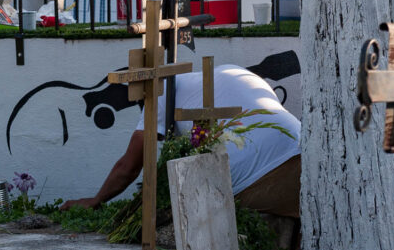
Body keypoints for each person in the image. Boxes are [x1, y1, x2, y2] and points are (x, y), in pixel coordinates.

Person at [60, 65, 301, 222]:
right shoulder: (231, 72)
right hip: (303, 147)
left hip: (257, 171)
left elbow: (129, 167)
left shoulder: (160, 93)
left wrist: (95, 200)